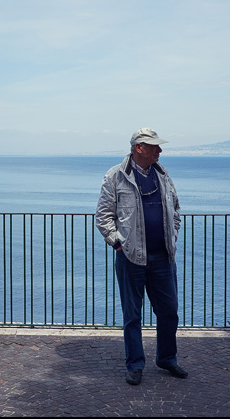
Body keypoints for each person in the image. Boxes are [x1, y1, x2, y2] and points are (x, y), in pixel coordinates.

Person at [96, 128, 188, 385]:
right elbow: (103, 216)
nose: (160, 150)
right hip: (130, 257)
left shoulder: (164, 176)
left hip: (163, 257)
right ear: (139, 147)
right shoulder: (116, 176)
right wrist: (118, 244)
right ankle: (135, 364)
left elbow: (176, 210)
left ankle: (167, 358)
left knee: (169, 311)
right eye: (155, 146)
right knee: (132, 314)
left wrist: (172, 236)